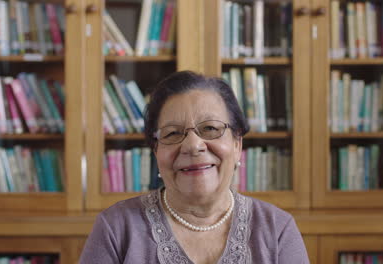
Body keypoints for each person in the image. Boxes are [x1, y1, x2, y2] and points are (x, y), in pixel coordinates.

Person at [80, 71, 310, 264]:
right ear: (156, 151)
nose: (193, 145)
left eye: (210, 128)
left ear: (237, 144)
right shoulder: (116, 228)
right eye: (172, 133)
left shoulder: (278, 229)